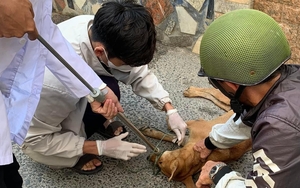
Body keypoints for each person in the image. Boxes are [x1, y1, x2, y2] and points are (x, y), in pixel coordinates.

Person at [22, 0, 187, 175]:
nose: (131, 69)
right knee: (55, 148)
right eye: (126, 63)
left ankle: (96, 124)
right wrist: (100, 147)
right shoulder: (53, 84)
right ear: (100, 52)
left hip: (67, 91)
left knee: (111, 89)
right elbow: (34, 139)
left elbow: (137, 71)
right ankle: (76, 153)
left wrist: (168, 108)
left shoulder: (102, 28)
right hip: (40, 122)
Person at [0, 0, 126, 187]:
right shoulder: (51, 88)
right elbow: (33, 140)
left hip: (14, 82)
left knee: (9, 176)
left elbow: (45, 34)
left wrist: (97, 90)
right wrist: (100, 147)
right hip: (33, 99)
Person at [193, 9, 300, 188]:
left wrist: (219, 173)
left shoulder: (279, 128)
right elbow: (248, 119)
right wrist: (210, 142)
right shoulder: (289, 80)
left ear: (232, 85)